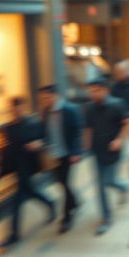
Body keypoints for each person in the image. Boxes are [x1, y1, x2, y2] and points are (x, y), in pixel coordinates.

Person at [0, 97, 56, 248]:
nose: (16, 111)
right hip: (17, 166)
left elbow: (45, 137)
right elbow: (9, 148)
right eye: (13, 109)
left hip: (29, 166)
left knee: (16, 201)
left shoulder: (33, 123)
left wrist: (38, 143)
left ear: (24, 108)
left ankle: (14, 235)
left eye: (18, 108)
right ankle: (50, 203)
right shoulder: (10, 127)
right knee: (30, 192)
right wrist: (2, 169)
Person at [84, 78, 129, 235]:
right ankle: (106, 218)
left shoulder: (117, 104)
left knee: (109, 181)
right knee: (100, 186)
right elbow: (88, 127)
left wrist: (119, 140)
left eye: (96, 90)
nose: (93, 93)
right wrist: (87, 144)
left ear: (105, 90)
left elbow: (126, 123)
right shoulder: (89, 107)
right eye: (91, 90)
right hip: (97, 151)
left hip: (114, 151)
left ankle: (124, 187)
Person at [38, 84, 83, 234]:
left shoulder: (69, 109)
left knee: (65, 184)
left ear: (55, 95)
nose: (45, 100)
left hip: (67, 154)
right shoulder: (46, 112)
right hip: (53, 155)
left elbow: (77, 131)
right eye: (43, 98)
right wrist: (42, 143)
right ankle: (75, 201)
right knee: (62, 184)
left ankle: (66, 218)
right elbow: (46, 132)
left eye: (47, 97)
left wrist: (76, 152)